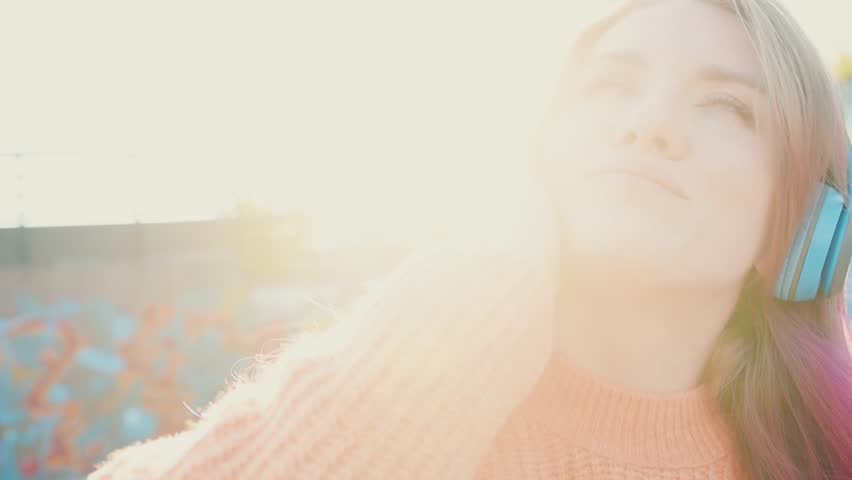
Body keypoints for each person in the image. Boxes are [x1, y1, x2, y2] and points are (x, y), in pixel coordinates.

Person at [88, 0, 852, 478]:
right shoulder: (402, 382)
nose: (645, 121)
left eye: (727, 107)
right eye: (611, 84)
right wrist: (480, 291)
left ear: (802, 231)